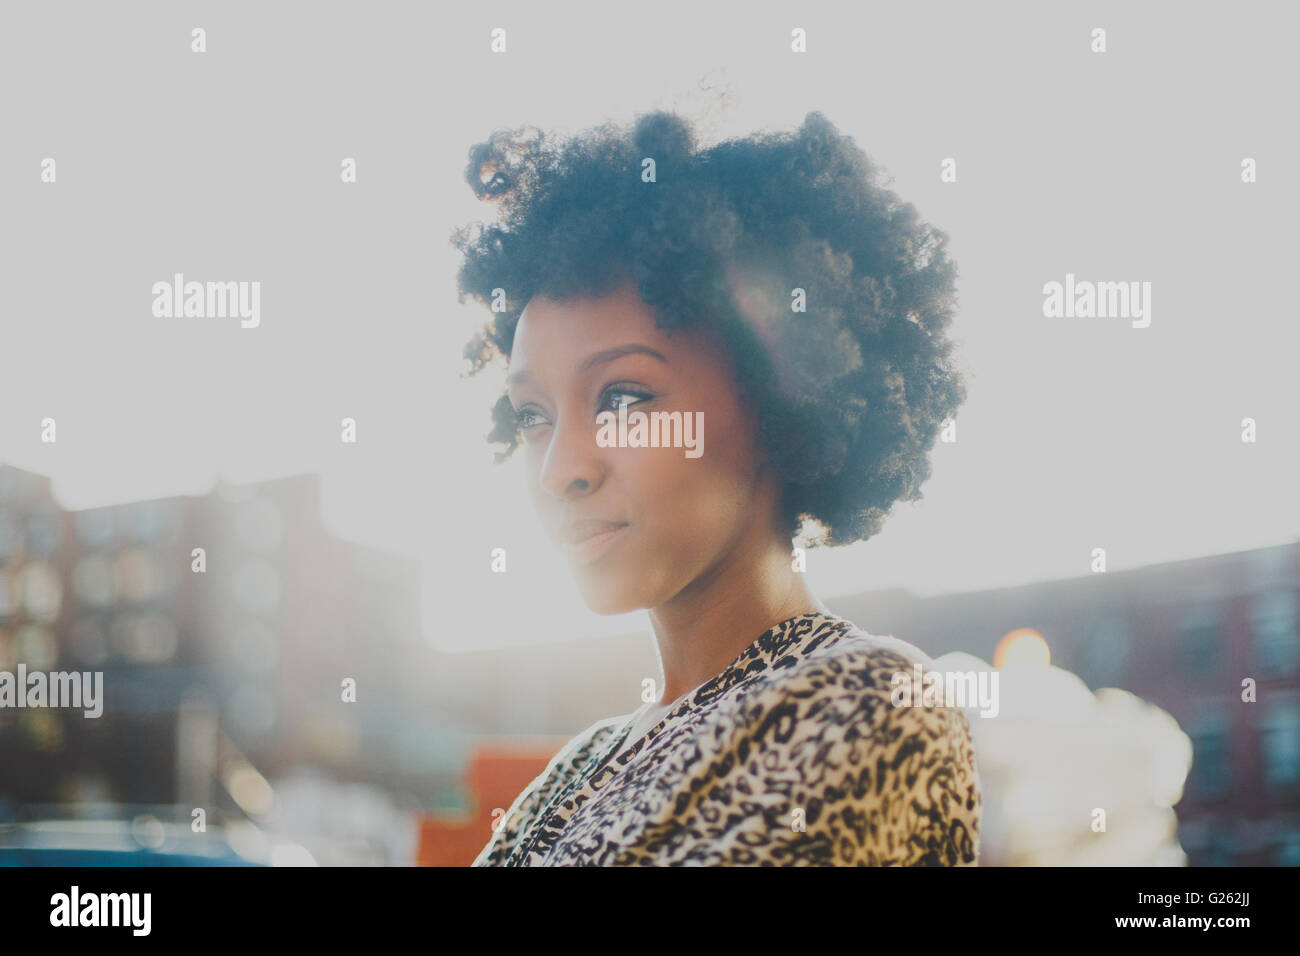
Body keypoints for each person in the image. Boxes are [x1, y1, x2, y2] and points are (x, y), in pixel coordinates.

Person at [453, 109, 980, 865]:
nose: (560, 468)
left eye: (623, 400)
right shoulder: (577, 766)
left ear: (777, 400)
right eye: (532, 415)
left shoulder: (867, 700)